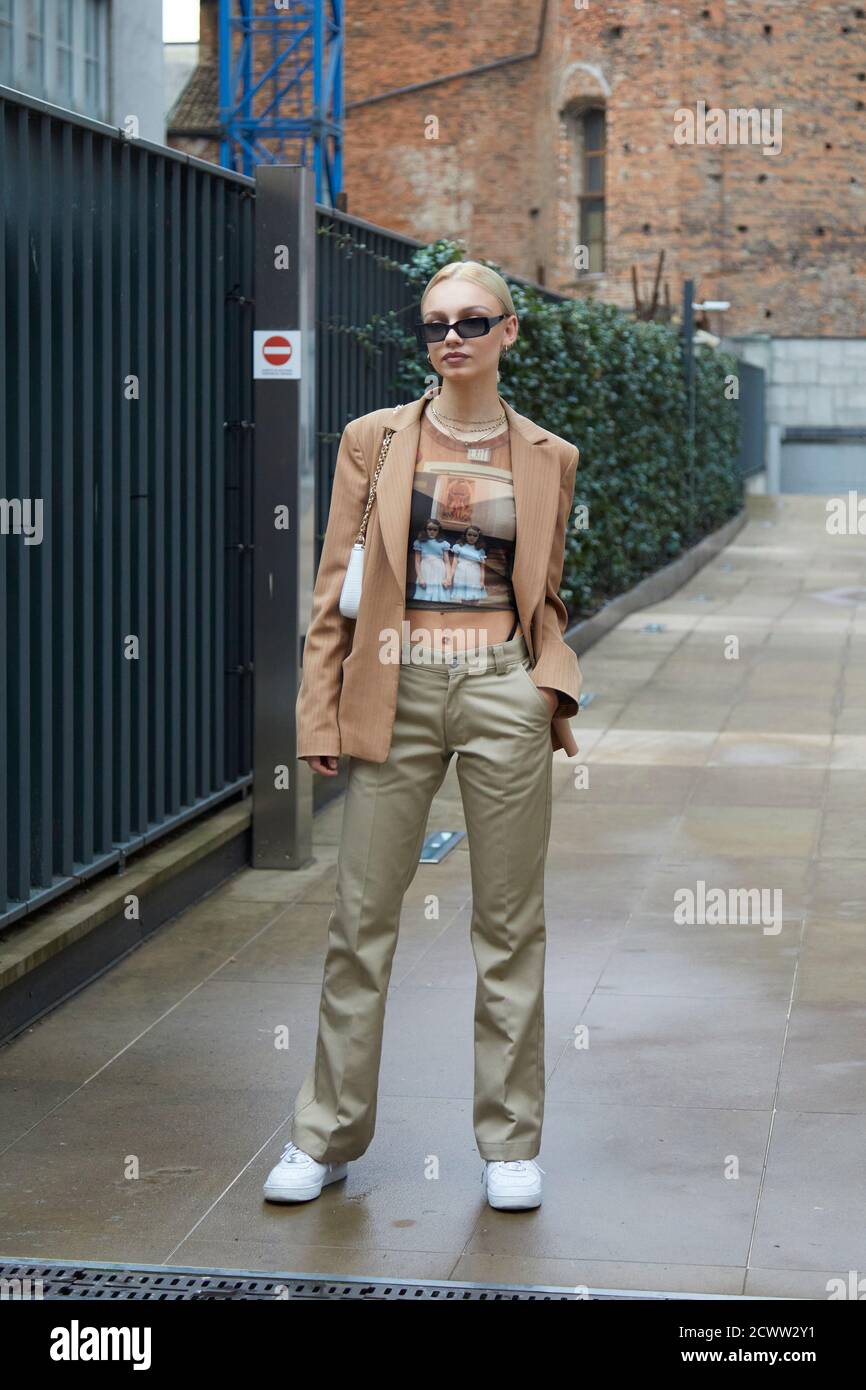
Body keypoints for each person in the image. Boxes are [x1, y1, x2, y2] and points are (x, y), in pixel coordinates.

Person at [263, 261, 582, 1212]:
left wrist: (543, 688)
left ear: (508, 333)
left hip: (499, 689)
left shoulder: (548, 456)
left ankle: (510, 1143)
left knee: (509, 925)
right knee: (359, 922)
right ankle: (325, 1137)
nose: (452, 337)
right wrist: (320, 710)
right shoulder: (375, 440)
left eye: (473, 320)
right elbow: (334, 588)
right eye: (436, 323)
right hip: (392, 689)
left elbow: (546, 590)